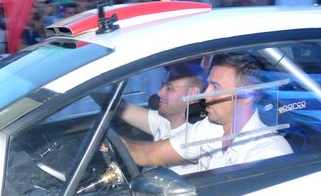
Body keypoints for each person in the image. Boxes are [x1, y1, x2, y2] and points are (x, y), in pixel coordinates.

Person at [122, 53, 292, 172]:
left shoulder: (268, 154)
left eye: (215, 87)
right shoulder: (210, 127)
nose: (205, 95)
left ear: (247, 95)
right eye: (208, 85)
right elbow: (152, 154)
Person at [115, 63, 208, 174]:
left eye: (169, 88)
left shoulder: (196, 134)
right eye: (162, 86)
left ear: (192, 94)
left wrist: (117, 143)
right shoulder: (164, 121)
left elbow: (149, 154)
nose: (159, 93)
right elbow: (120, 107)